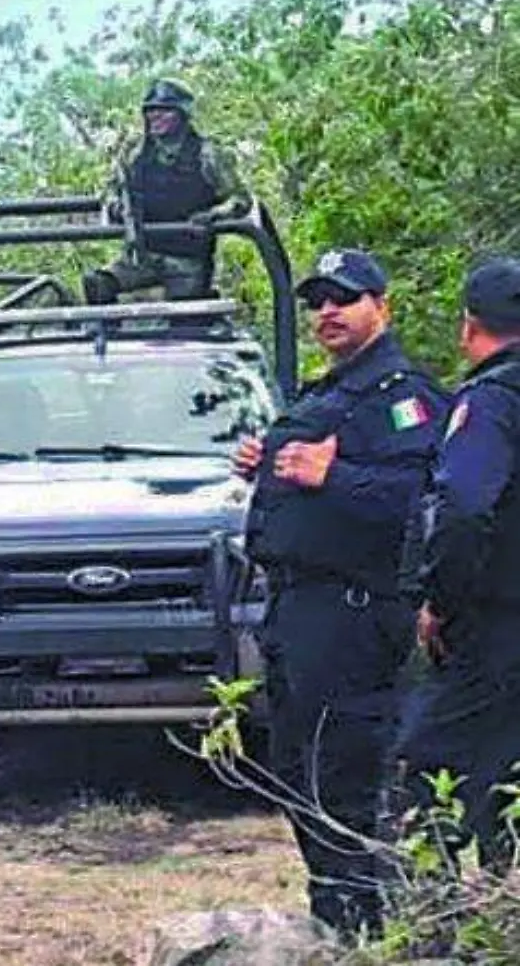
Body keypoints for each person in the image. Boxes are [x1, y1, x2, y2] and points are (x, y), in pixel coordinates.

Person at [232, 248, 447, 937]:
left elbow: (430, 498)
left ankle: (375, 927)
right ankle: (336, 920)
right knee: (298, 772)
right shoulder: (325, 391)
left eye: (345, 298)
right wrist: (264, 467)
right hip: (297, 610)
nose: (328, 311)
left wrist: (335, 475)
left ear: (382, 307)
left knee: (346, 777)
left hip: (353, 613)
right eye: (319, 299)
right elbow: (303, 480)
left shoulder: (403, 397)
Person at [390, 255, 520, 875]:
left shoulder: (492, 402)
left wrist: (440, 601)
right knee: (506, 777)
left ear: (470, 327)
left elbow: (465, 507)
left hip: (495, 626)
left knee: (423, 773)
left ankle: (433, 925)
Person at [83, 78, 252, 305]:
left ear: (182, 114)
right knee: (98, 284)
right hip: (140, 255)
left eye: (165, 110)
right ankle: (110, 337)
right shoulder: (134, 152)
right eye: (151, 110)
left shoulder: (207, 153)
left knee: (184, 319)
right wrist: (116, 205)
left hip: (187, 260)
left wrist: (214, 215)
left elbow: (239, 199)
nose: (155, 116)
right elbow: (109, 188)